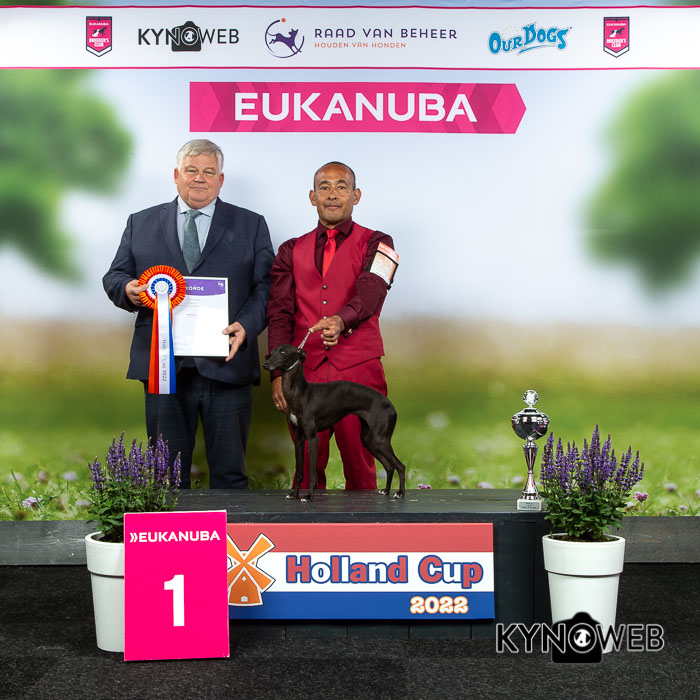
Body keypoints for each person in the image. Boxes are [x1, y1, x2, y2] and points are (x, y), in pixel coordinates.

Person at [103, 139, 274, 489]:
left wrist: (247, 325)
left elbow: (268, 286)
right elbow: (114, 275)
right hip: (164, 371)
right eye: (192, 170)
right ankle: (173, 529)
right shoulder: (140, 222)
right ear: (176, 175)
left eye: (209, 172)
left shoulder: (251, 224)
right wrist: (129, 289)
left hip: (228, 368)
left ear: (221, 180)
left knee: (230, 474)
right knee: (165, 477)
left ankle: (230, 529)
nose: (200, 178)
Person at [267, 161, 397, 491]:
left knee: (360, 462)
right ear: (313, 197)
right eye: (324, 187)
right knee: (305, 464)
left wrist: (342, 319)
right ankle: (306, 520)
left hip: (358, 368)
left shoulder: (380, 242)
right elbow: (279, 314)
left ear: (356, 195)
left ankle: (366, 521)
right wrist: (278, 375)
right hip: (303, 373)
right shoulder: (289, 250)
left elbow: (373, 290)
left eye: (341, 187)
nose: (333, 194)